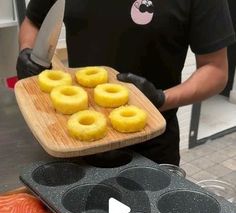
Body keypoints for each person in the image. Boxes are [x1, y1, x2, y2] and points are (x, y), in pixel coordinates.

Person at [17, 0, 235, 166]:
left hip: (150, 149)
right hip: (72, 141)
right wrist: (27, 51)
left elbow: (215, 69)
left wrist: (160, 99)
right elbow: (33, 21)